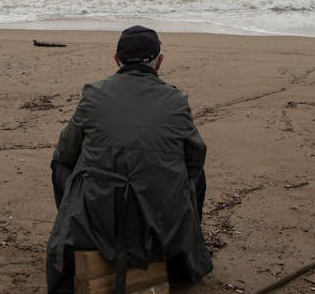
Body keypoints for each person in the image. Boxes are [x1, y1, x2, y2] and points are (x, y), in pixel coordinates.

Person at [46, 25, 212, 293]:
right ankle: (181, 254)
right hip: (161, 227)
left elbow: (65, 153)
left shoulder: (93, 94)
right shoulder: (176, 100)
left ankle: (77, 236)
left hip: (98, 223)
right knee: (197, 174)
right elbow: (195, 159)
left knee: (61, 165)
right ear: (159, 61)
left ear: (116, 59)